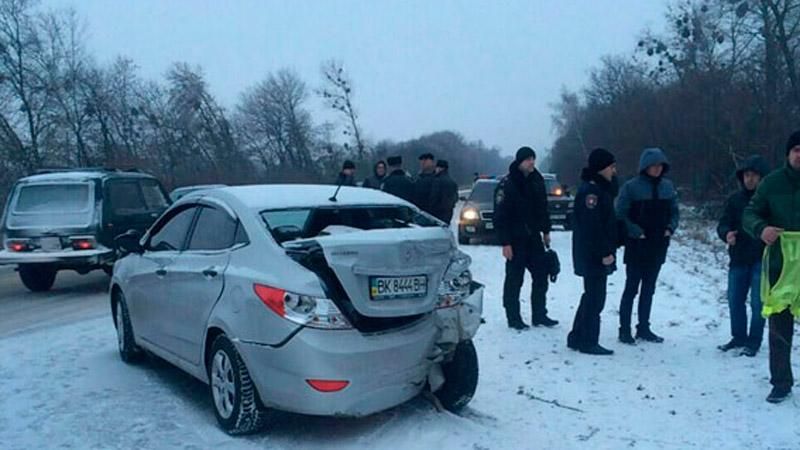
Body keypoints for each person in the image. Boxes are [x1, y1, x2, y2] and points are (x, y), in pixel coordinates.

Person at [743, 130, 800, 404]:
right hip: (781, 267)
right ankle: (781, 382)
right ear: (788, 154)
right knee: (779, 325)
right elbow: (750, 212)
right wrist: (761, 228)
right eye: (797, 150)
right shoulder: (772, 183)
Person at [616, 147, 679, 345]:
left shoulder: (667, 187)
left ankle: (643, 327)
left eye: (660, 165)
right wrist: (634, 231)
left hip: (659, 245)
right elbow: (620, 213)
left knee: (649, 288)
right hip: (637, 245)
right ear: (645, 167)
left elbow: (674, 212)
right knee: (631, 288)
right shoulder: (631, 187)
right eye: (653, 165)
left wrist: (671, 227)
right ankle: (624, 329)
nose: (657, 169)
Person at [493, 146, 557, 330]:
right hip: (515, 239)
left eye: (533, 159)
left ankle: (539, 314)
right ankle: (513, 318)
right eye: (528, 159)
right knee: (514, 280)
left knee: (541, 276)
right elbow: (500, 216)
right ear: (520, 162)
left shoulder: (537, 180)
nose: (532, 162)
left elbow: (542, 208)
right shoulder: (507, 184)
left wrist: (546, 231)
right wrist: (505, 243)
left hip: (534, 238)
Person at [717, 155, 770, 357]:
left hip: (761, 259)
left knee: (758, 304)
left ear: (762, 178)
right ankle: (738, 336)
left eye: (754, 176)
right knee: (735, 300)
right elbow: (723, 223)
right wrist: (726, 234)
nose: (749, 179)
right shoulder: (734, 200)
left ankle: (754, 341)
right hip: (738, 258)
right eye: (746, 175)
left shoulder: (768, 200)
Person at [568, 148, 619, 355]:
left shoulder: (599, 189)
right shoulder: (591, 193)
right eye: (611, 167)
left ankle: (577, 336)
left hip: (592, 253)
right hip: (593, 255)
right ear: (601, 168)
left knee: (590, 295)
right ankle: (588, 341)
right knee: (596, 298)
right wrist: (604, 253)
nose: (614, 171)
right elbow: (592, 228)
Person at [429, 159, 458, 224]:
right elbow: (456, 198)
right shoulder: (452, 182)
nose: (435, 169)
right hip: (448, 213)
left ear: (440, 168)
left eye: (436, 167)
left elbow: (433, 198)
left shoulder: (437, 181)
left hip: (437, 213)